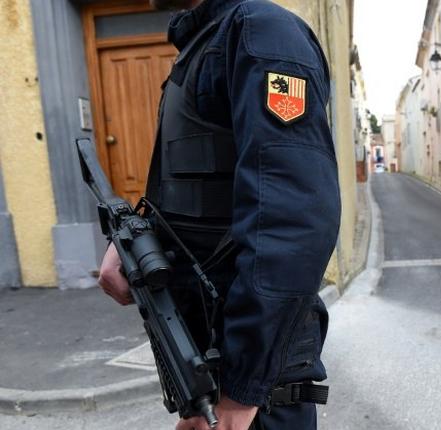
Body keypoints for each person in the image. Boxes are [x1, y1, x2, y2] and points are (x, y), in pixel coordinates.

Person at [97, 0, 341, 429]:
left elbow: (294, 221)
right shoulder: (200, 48)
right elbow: (201, 188)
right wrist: (135, 239)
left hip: (254, 393)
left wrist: (241, 393)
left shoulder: (261, 34)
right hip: (208, 366)